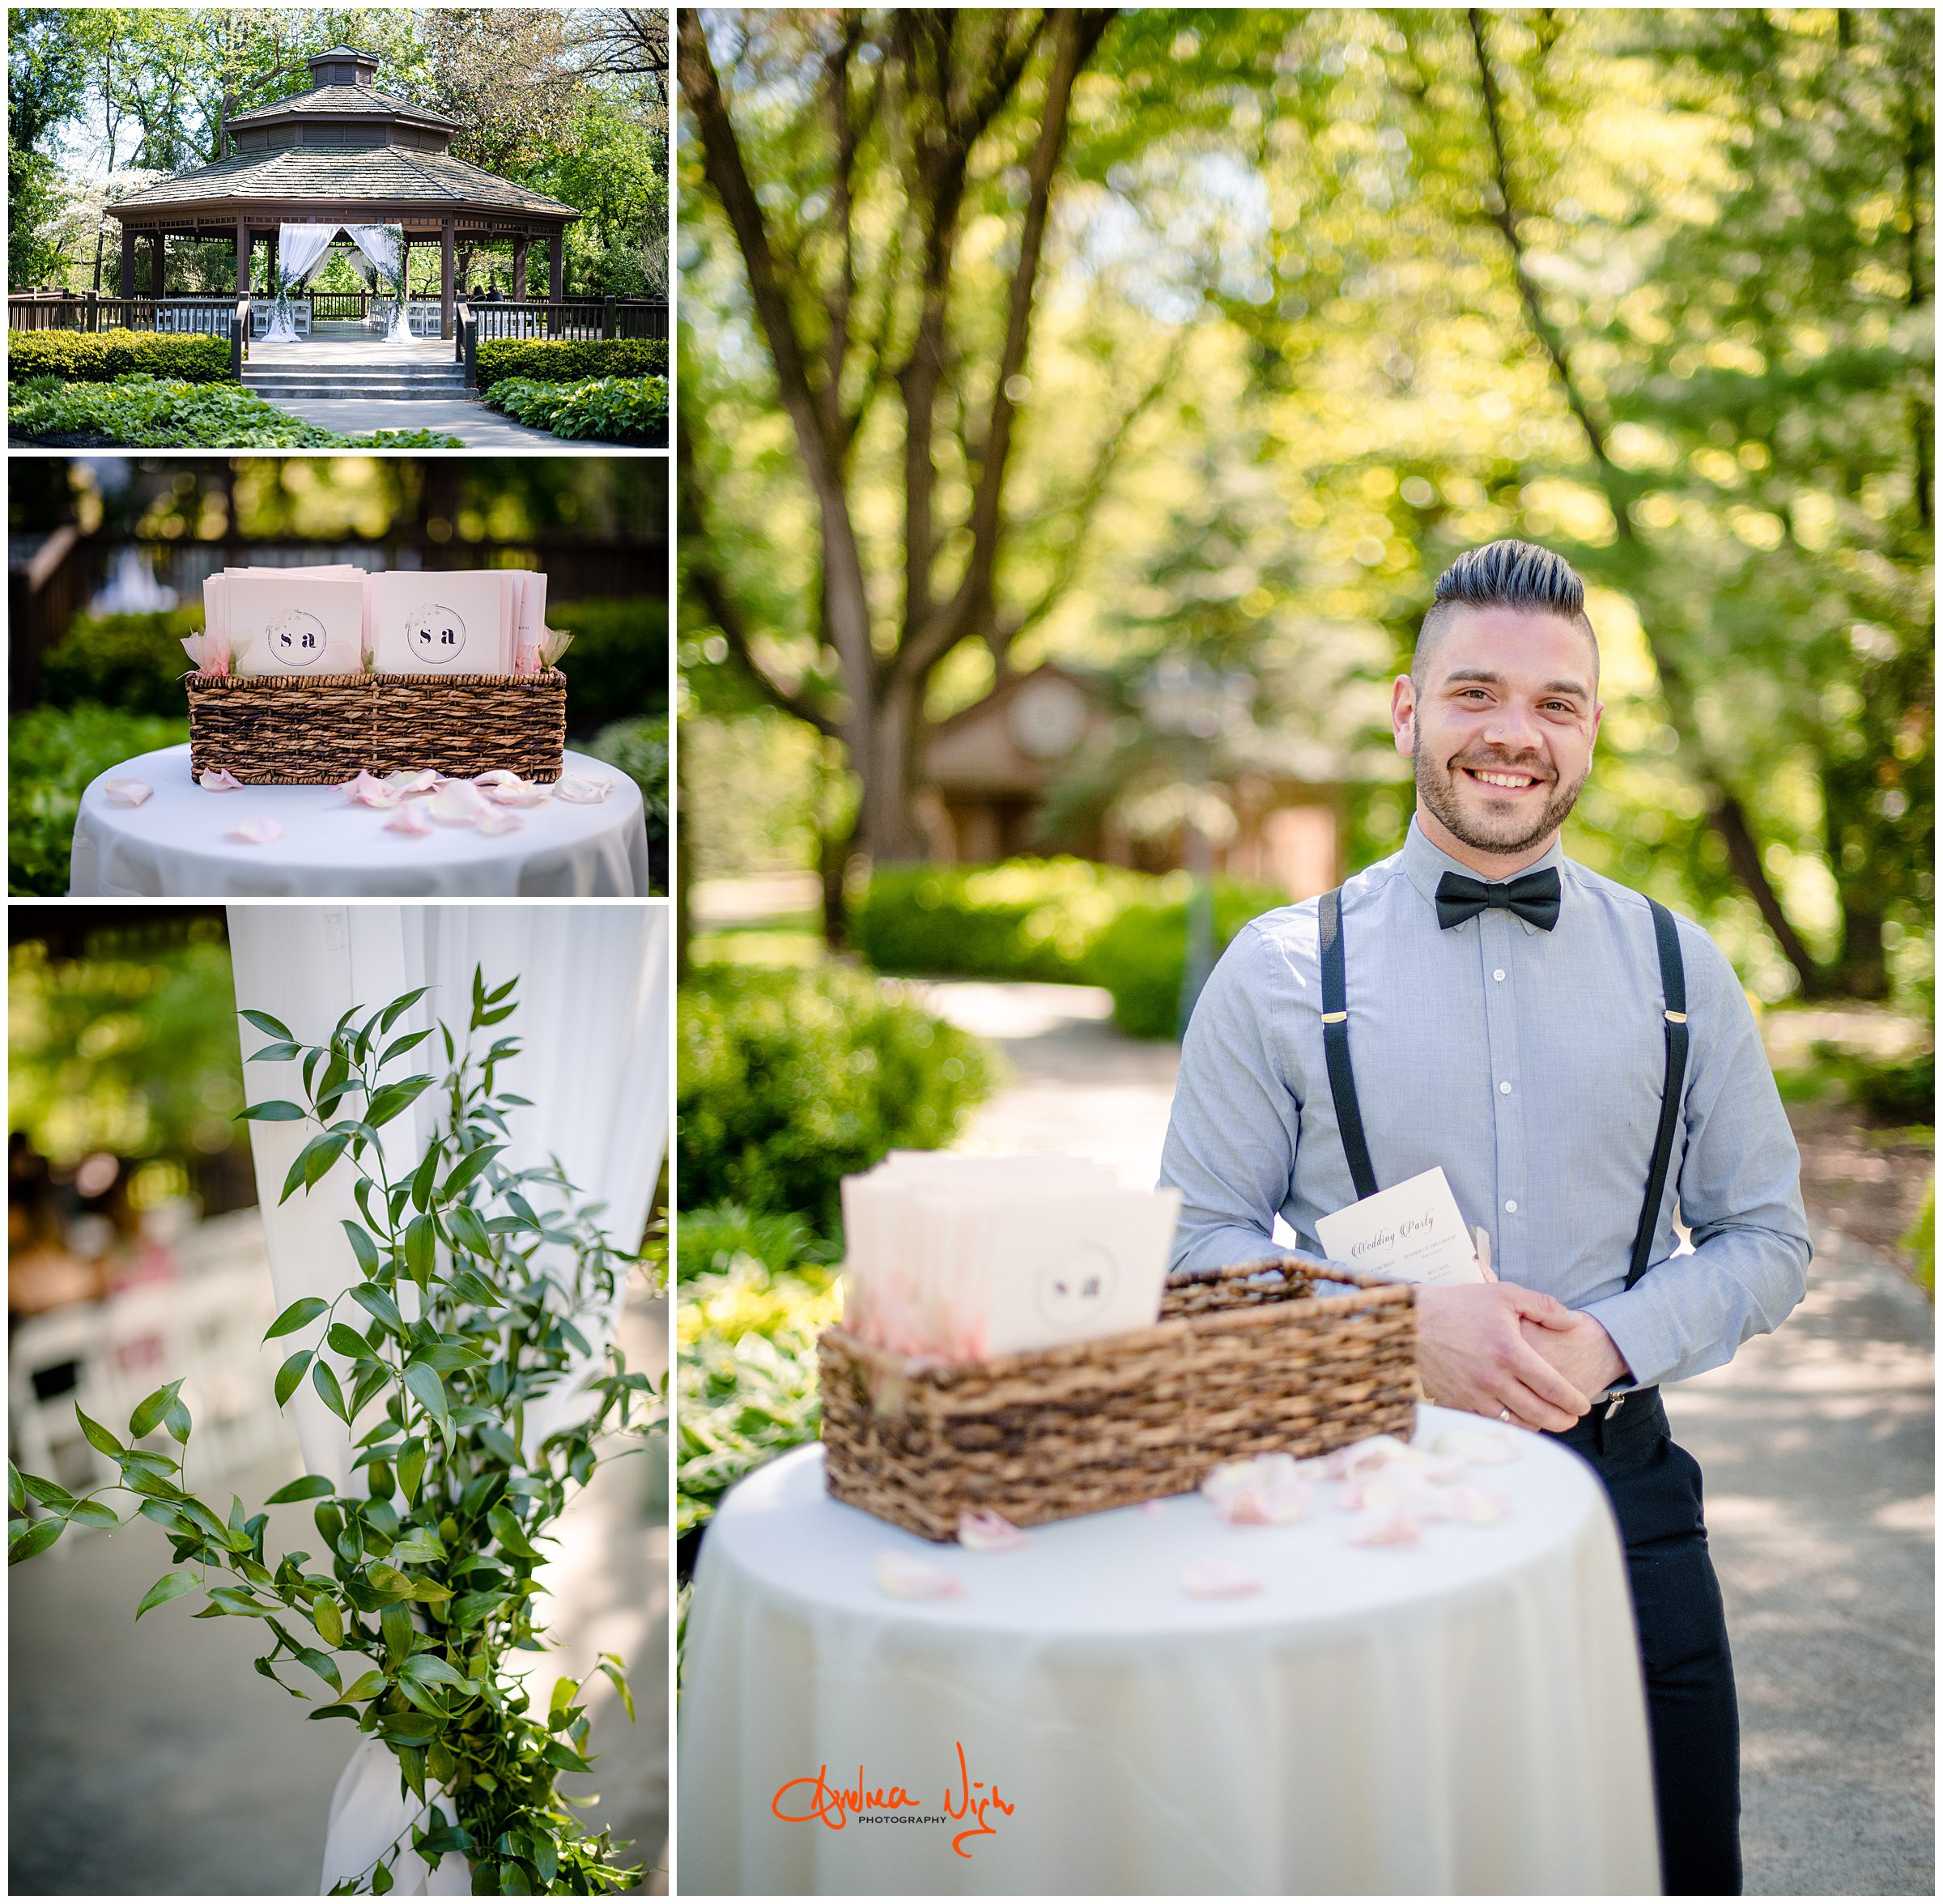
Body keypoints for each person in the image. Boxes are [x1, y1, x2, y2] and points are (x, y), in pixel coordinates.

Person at [1159, 538, 1810, 1896]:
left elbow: (1768, 1236)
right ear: (1408, 710)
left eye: (1554, 702)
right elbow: (1189, 1246)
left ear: (1592, 729)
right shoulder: (1276, 971)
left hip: (1624, 1504)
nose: (1514, 733)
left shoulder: (1686, 968)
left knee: (1675, 1866)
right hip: (1352, 1489)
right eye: (1475, 694)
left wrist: (1613, 1342)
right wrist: (1394, 1330)